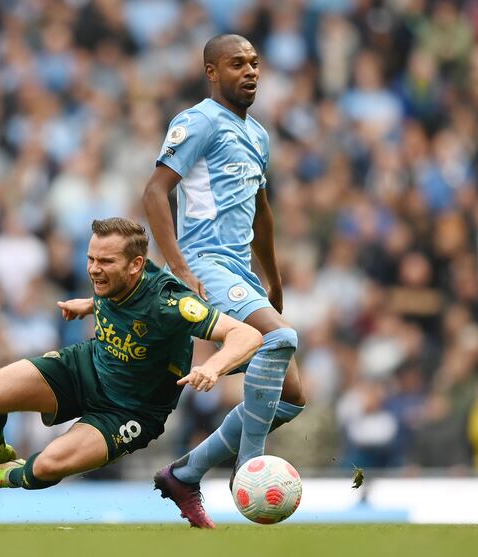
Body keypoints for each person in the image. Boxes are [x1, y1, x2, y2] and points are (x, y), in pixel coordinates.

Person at [0, 218, 263, 494]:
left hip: (129, 411)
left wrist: (214, 367)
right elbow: (122, 302)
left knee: (46, 466)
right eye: (91, 259)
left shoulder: (170, 302)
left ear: (135, 265)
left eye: (105, 262)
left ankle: (3, 474)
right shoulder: (114, 278)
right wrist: (89, 305)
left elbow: (247, 334)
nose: (94, 269)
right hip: (88, 367)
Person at [143, 34, 305, 528]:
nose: (251, 71)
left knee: (291, 399)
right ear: (212, 72)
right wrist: (180, 269)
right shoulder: (197, 122)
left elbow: (260, 212)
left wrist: (272, 279)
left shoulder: (257, 135)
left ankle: (185, 474)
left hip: (241, 271)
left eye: (255, 63)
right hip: (203, 261)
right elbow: (154, 193)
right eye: (237, 64)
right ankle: (248, 471)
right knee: (279, 337)